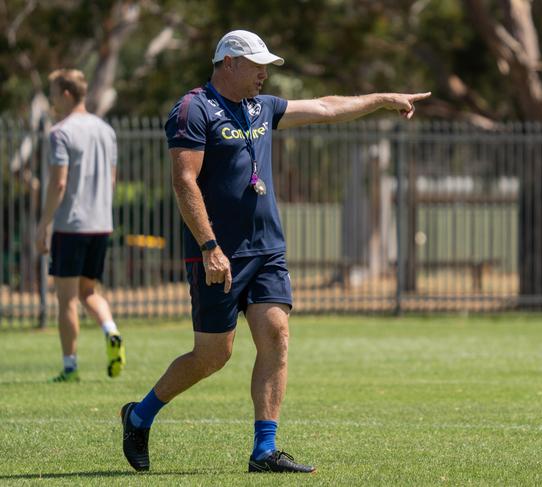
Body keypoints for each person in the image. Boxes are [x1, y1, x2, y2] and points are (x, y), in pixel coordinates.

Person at [120, 29, 429, 473]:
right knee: (213, 355)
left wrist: (383, 98)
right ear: (229, 63)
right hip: (218, 253)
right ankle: (139, 415)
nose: (265, 73)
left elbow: (325, 107)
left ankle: (264, 451)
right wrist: (209, 246)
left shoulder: (261, 108)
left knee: (277, 336)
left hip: (267, 250)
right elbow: (184, 181)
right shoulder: (193, 109)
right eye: (257, 64)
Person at [36, 69, 126, 383]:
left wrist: (44, 224)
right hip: (101, 225)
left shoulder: (60, 132)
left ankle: (70, 366)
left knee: (66, 299)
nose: (50, 99)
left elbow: (59, 184)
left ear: (65, 94)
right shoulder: (106, 131)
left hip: (71, 225)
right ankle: (111, 330)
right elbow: (112, 180)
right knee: (89, 291)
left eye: (52, 92)